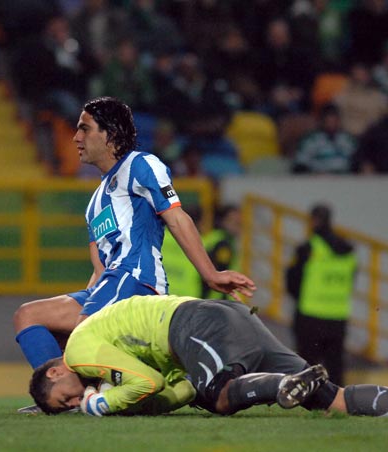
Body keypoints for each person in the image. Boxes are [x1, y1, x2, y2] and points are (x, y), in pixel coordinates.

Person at [13, 97, 256, 373]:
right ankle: (61, 390)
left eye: (85, 129)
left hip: (136, 281)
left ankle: (73, 389)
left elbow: (177, 218)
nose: (76, 137)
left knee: (82, 341)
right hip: (109, 286)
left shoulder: (141, 164)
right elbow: (99, 269)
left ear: (111, 134)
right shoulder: (94, 203)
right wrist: (90, 302)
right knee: (28, 316)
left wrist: (211, 275)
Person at [29, 294, 388, 418]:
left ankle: (281, 385)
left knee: (220, 398)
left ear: (55, 372)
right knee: (333, 400)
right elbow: (181, 391)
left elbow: (147, 382)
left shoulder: (78, 352)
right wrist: (133, 404)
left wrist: (102, 405)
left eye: (66, 400)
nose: (75, 403)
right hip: (229, 318)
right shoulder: (108, 349)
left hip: (195, 325)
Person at [286, 204, 356, 386]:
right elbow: (351, 280)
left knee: (307, 367)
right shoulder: (348, 250)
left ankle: (309, 399)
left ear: (314, 221)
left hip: (310, 315)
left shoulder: (308, 248)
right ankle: (338, 401)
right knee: (335, 367)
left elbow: (292, 280)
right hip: (337, 316)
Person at [163, 204, 242, 300]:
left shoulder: (161, 237)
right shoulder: (207, 242)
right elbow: (216, 274)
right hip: (191, 297)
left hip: (162, 293)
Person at [291, 104, 357, 174]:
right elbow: (300, 163)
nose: (331, 124)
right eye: (328, 121)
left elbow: (356, 162)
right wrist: (313, 173)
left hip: (345, 177)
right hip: (317, 177)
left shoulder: (348, 140)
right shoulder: (311, 140)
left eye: (334, 120)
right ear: (322, 121)